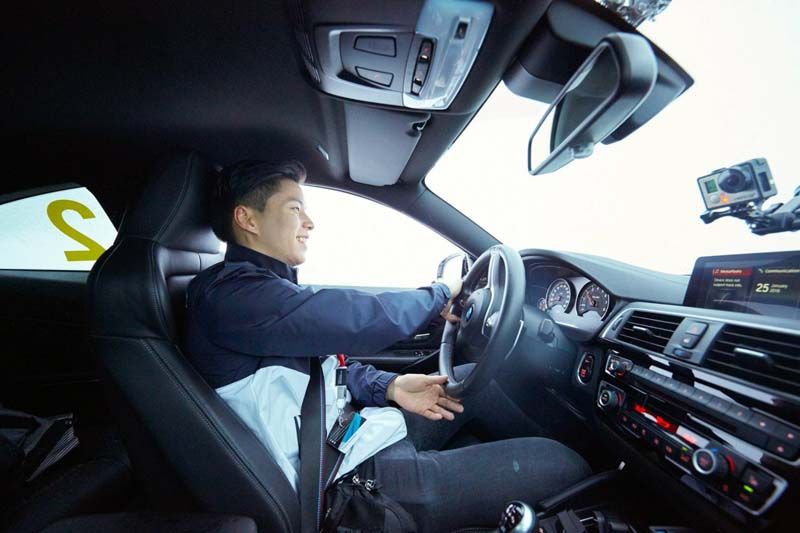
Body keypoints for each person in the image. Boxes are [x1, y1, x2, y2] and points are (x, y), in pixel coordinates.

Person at [185, 160, 590, 531]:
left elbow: (322, 370)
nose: (309, 222)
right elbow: (353, 317)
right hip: (344, 484)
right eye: (295, 209)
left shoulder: (259, 293)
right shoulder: (230, 298)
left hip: (349, 436)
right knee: (562, 465)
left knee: (474, 381)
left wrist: (391, 387)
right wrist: (439, 293)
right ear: (247, 219)